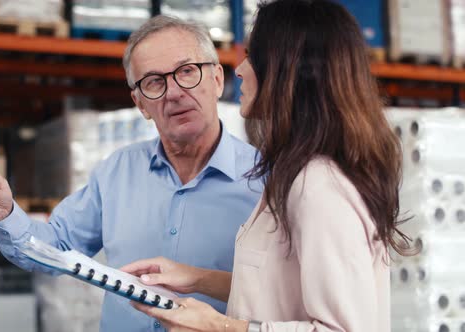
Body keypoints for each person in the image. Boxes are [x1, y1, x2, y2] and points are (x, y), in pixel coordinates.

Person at [121, 1, 412, 331]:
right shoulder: (297, 174)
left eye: (252, 57)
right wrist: (195, 278)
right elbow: (280, 286)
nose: (240, 69)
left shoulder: (318, 185)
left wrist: (220, 327)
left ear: (286, 70)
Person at [0, 15, 262, 332]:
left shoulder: (266, 181)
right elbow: (55, 249)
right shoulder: (117, 172)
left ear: (217, 80)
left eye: (187, 71)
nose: (173, 92)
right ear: (140, 103)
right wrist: (5, 214)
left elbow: (286, 296)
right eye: (154, 82)